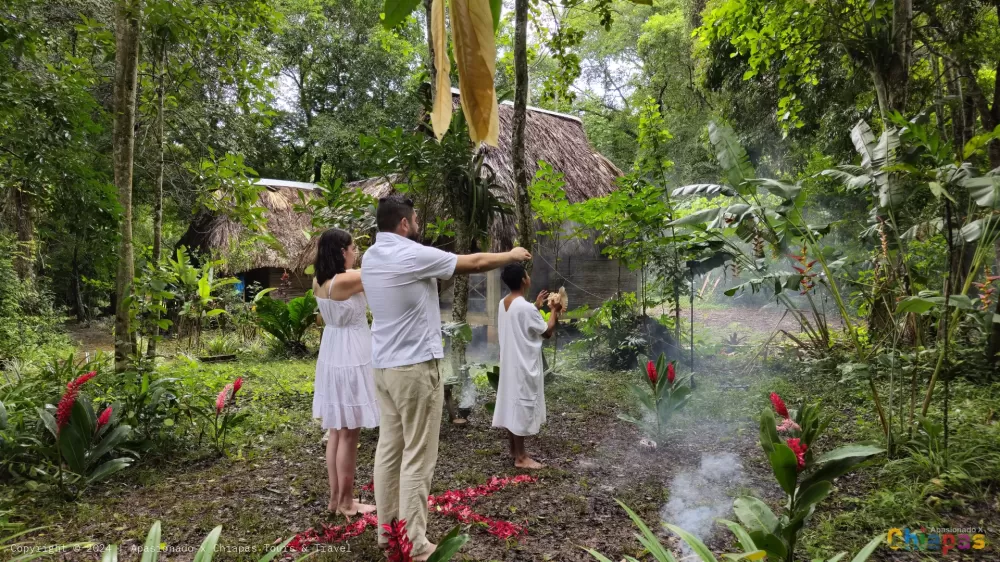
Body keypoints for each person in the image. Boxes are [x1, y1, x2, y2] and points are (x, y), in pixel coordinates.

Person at [361, 195, 531, 561]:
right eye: (416, 218)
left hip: (384, 369)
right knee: (418, 456)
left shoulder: (371, 255)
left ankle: (388, 532)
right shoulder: (411, 254)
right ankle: (415, 543)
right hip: (414, 369)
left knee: (390, 449)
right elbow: (475, 262)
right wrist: (511, 255)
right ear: (404, 224)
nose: (418, 224)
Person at [311, 228, 380, 518]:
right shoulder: (348, 279)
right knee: (349, 432)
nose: (357, 252)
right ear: (342, 252)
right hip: (351, 352)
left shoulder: (318, 280)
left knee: (337, 430)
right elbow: (380, 271)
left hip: (333, 349)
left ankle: (336, 499)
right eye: (353, 248)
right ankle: (346, 501)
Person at [492, 263, 561, 469]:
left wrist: (536, 307)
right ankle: (521, 457)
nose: (529, 277)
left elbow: (519, 319)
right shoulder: (526, 307)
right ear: (523, 280)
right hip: (523, 364)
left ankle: (514, 450)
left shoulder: (503, 302)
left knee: (511, 403)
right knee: (521, 405)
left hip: (510, 362)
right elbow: (547, 332)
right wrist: (554, 311)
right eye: (527, 274)